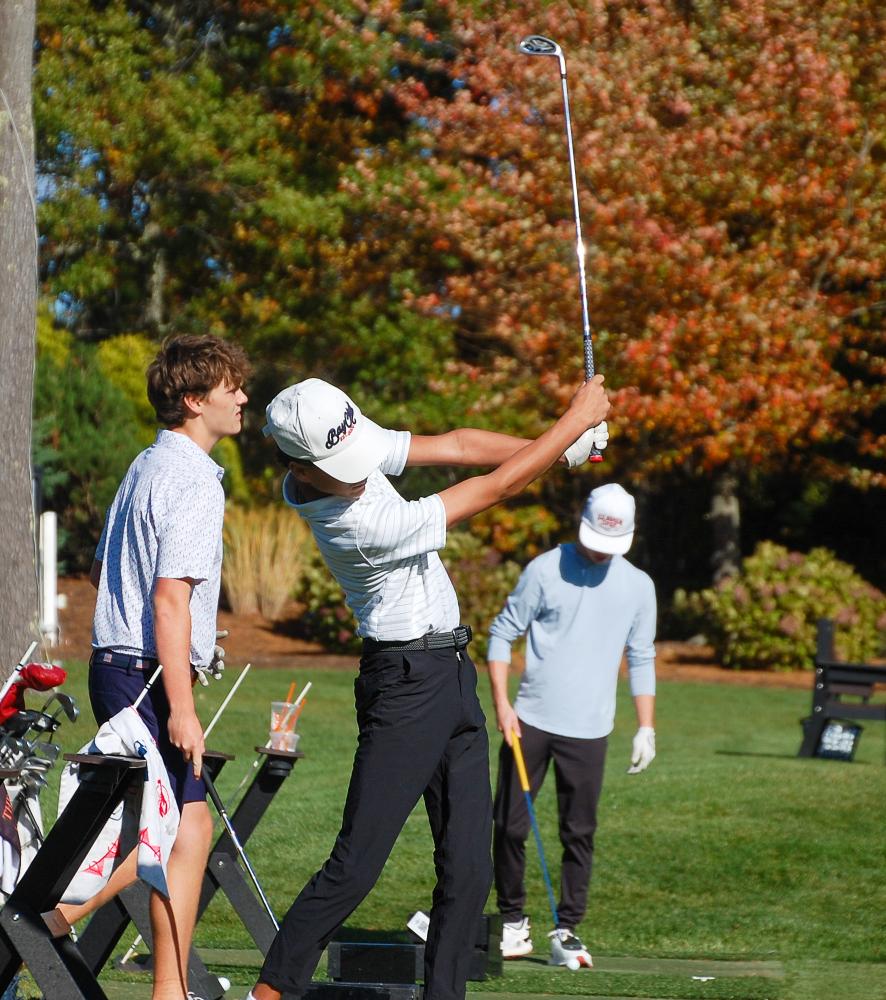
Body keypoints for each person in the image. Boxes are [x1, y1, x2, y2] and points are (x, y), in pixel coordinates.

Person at [248, 374, 610, 1000]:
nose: (359, 467)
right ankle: (272, 989)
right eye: (342, 464)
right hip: (404, 685)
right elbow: (496, 486)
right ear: (303, 468)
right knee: (357, 864)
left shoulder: (347, 453)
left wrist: (561, 444)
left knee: (469, 871)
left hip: (451, 675)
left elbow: (460, 445)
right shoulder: (355, 525)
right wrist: (571, 423)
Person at [50, 334, 250, 1000]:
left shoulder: (147, 463)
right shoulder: (192, 478)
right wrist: (183, 704)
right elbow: (169, 598)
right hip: (144, 679)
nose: (244, 396)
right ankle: (37, 921)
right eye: (231, 388)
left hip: (125, 669)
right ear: (195, 400)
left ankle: (170, 989)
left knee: (187, 827)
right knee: (164, 832)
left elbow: (113, 569)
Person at [487, 483, 656, 969]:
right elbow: (502, 634)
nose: (600, 554)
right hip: (531, 720)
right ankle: (514, 921)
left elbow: (642, 657)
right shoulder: (544, 569)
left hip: (590, 728)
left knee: (579, 831)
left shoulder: (638, 587)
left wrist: (646, 727)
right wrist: (503, 704)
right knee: (509, 825)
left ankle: (568, 927)